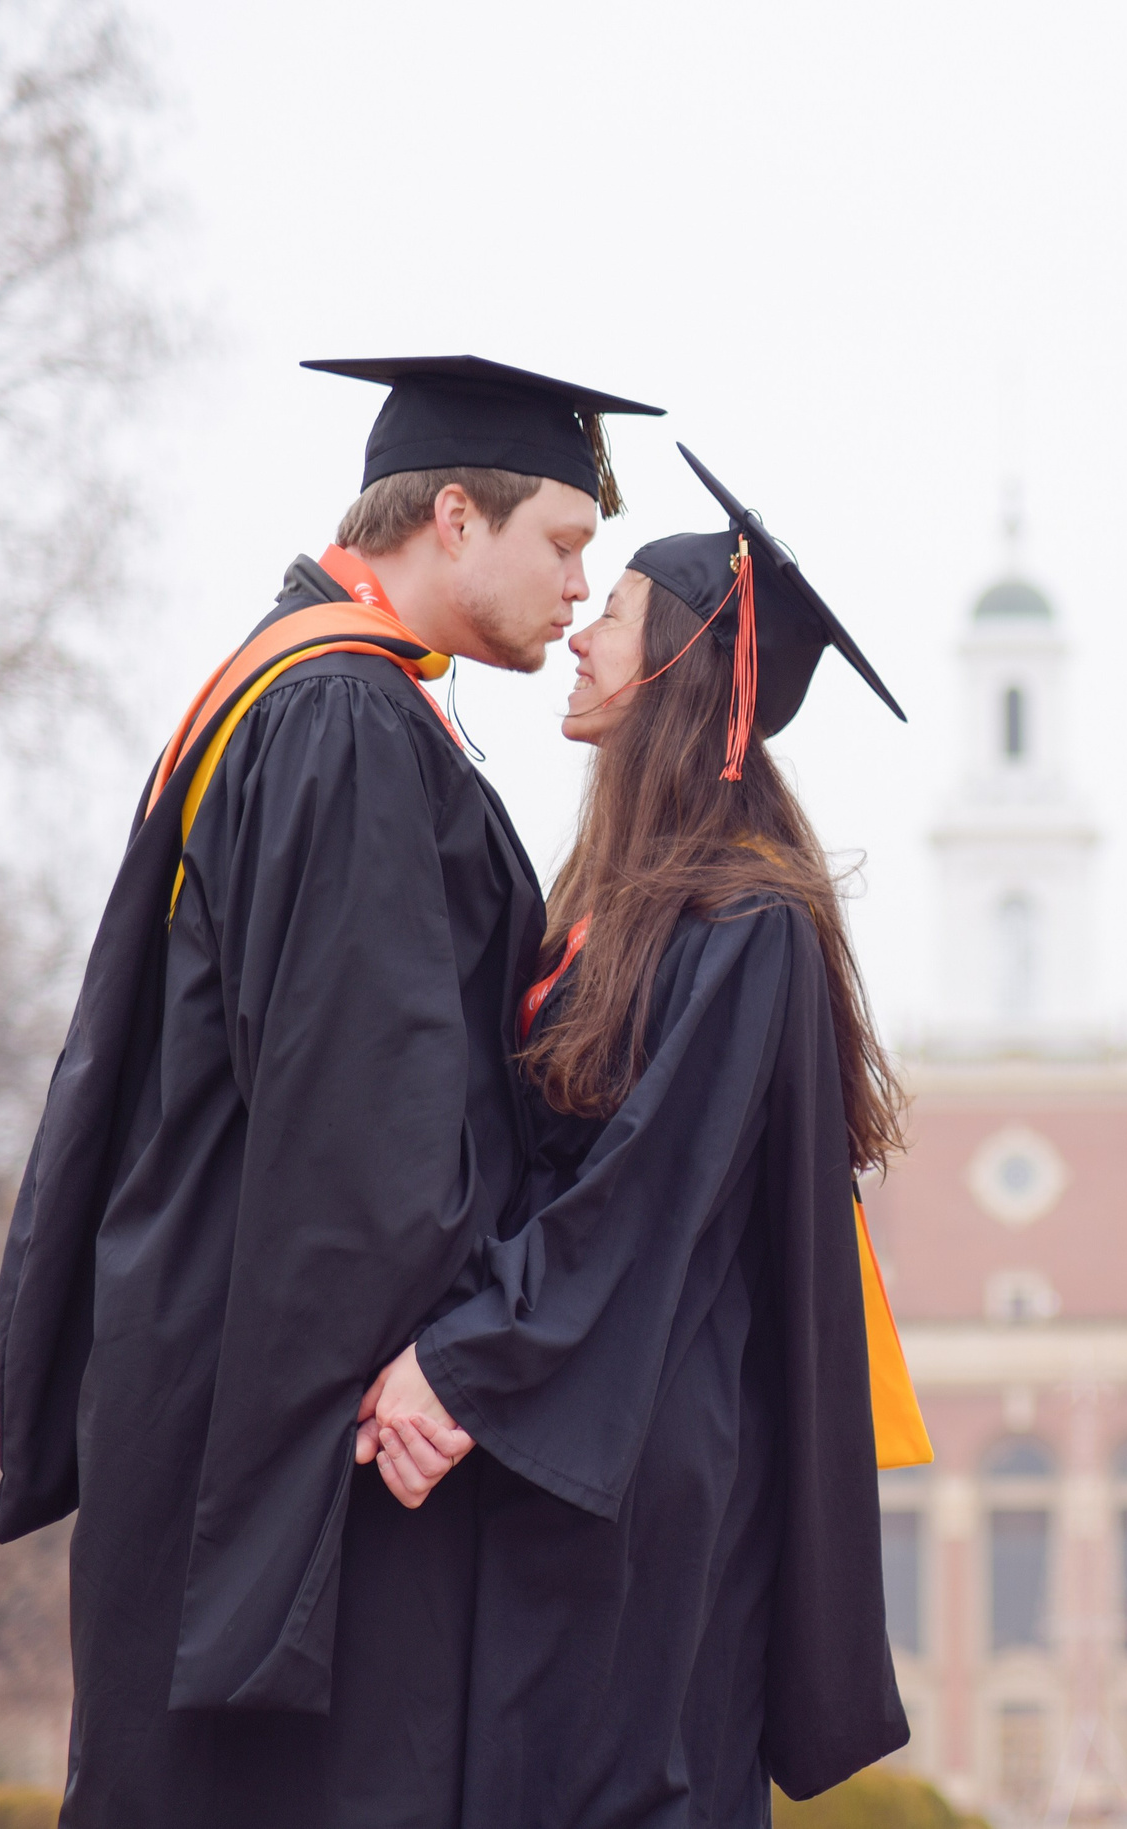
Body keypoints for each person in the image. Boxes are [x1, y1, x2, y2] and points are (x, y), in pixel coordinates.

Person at [0, 355, 660, 1826]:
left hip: (226, 1366)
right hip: (314, 1423)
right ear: (454, 518)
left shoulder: (303, 690)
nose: (578, 589)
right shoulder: (341, 720)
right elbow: (375, 1121)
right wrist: (461, 1365)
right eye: (562, 544)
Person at [349, 444, 930, 1826]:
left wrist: (463, 1364)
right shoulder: (612, 904)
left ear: (676, 663)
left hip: (645, 1455)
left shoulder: (750, 927)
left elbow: (643, 1195)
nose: (578, 629)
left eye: (607, 616)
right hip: (558, 1436)